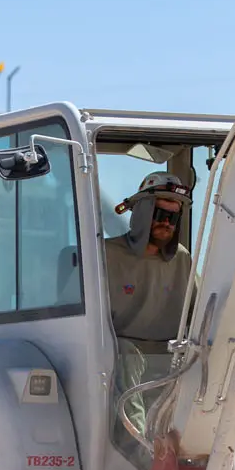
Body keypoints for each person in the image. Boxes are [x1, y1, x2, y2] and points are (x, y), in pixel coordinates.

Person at [104, 172, 194, 441]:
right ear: (142, 212)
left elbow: (200, 313)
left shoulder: (181, 260)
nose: (166, 223)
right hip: (116, 353)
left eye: (172, 218)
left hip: (168, 355)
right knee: (127, 355)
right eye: (159, 214)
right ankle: (142, 450)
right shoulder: (106, 254)